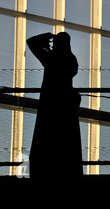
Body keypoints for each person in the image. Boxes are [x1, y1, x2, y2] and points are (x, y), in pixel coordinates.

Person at [27, 32, 83, 178]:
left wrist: (46, 37)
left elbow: (31, 42)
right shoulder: (70, 59)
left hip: (50, 102)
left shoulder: (51, 58)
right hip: (65, 103)